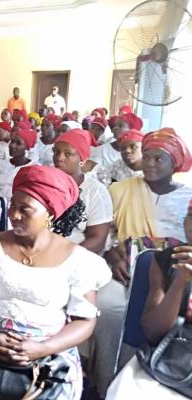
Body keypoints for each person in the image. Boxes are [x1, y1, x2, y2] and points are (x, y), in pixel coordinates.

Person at [0, 165, 111, 399]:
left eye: (25, 209)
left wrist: (41, 349)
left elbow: (84, 322)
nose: (14, 215)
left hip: (48, 352)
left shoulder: (78, 260)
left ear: (50, 214)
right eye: (13, 206)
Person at [90, 127, 192, 397]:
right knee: (107, 307)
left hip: (172, 271)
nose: (149, 163)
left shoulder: (187, 198)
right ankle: (105, 379)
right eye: (146, 156)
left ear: (175, 163)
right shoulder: (120, 190)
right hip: (124, 266)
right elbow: (107, 231)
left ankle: (156, 370)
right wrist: (111, 254)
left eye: (159, 158)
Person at [106, 202, 192, 399]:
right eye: (191, 216)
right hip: (172, 352)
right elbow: (153, 332)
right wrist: (181, 280)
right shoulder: (167, 260)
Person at [53, 129, 113, 254]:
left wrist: (63, 255)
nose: (59, 158)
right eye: (56, 152)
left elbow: (98, 240)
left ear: (82, 160)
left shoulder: (95, 191)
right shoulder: (46, 182)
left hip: (75, 257)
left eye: (67, 154)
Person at [0, 126, 37, 205]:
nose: (12, 145)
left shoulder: (33, 169)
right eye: (12, 142)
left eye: (18, 143)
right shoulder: (1, 164)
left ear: (27, 147)